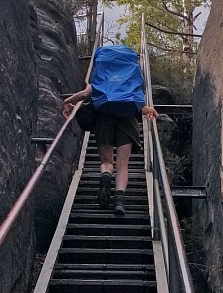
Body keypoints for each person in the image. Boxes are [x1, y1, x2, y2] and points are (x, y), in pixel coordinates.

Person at [62, 50, 157, 218]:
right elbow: (138, 105)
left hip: (103, 120)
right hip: (127, 122)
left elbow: (85, 94)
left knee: (107, 161)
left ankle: (105, 176)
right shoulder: (130, 79)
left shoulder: (102, 78)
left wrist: (67, 102)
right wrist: (151, 111)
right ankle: (119, 201)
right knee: (123, 164)